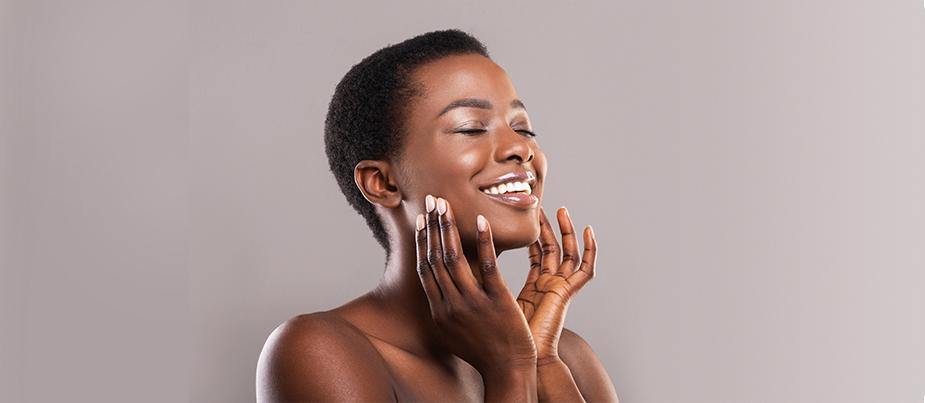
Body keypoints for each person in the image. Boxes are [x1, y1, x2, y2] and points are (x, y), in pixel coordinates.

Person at [256, 29, 620, 402]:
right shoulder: (321, 351)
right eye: (471, 128)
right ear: (382, 182)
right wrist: (509, 368)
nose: (519, 147)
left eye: (523, 127)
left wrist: (541, 362)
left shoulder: (566, 357)